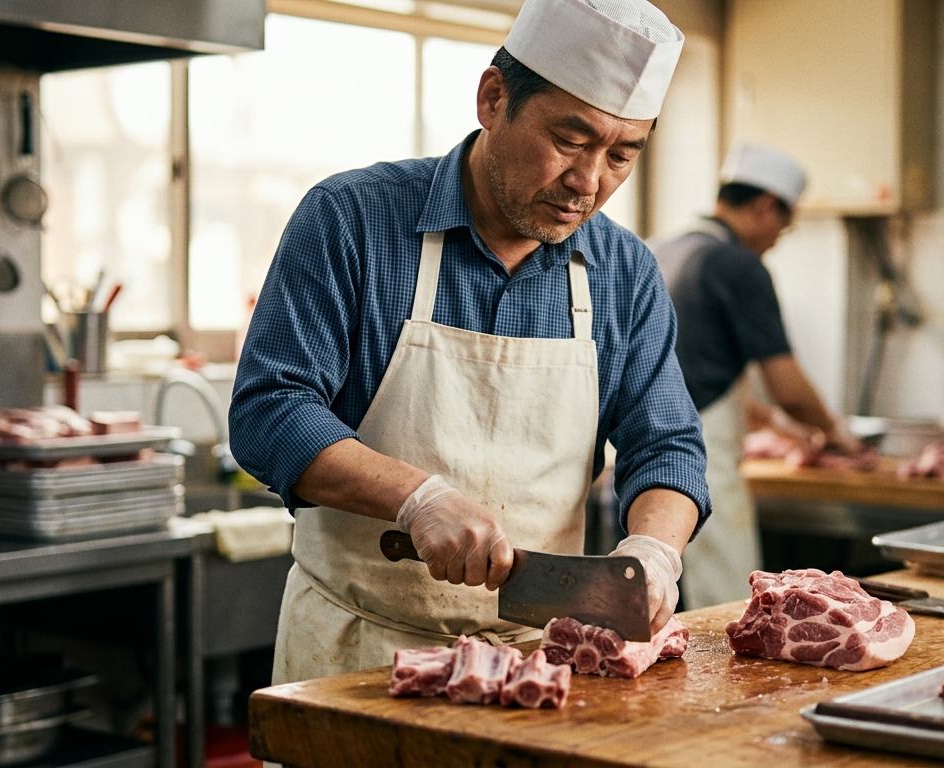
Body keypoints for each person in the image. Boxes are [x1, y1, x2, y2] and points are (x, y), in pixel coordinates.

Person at [230, 0, 710, 685]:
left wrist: (655, 551)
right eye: (571, 140)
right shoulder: (351, 221)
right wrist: (417, 498)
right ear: (493, 98)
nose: (588, 181)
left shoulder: (624, 271)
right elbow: (269, 410)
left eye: (621, 155)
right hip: (356, 657)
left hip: (539, 663)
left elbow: (666, 443)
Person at [653, 143, 861, 609]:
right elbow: (788, 385)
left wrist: (770, 425)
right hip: (700, 462)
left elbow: (688, 373)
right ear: (766, 205)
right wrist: (837, 435)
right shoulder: (738, 265)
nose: (776, 239)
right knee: (726, 606)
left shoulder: (662, 249)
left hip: (638, 453)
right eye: (783, 227)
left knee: (657, 602)